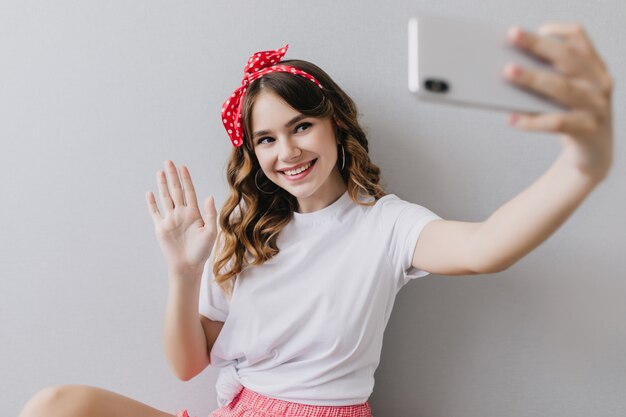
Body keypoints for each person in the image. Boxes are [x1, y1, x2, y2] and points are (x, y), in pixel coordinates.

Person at [18, 23, 612, 417]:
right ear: (252, 155)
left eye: (301, 127)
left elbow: (486, 248)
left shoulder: (386, 225)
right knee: (57, 405)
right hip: (241, 408)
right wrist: (181, 270)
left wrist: (583, 165)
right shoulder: (244, 234)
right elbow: (186, 366)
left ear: (334, 126)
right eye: (267, 139)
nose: (288, 152)